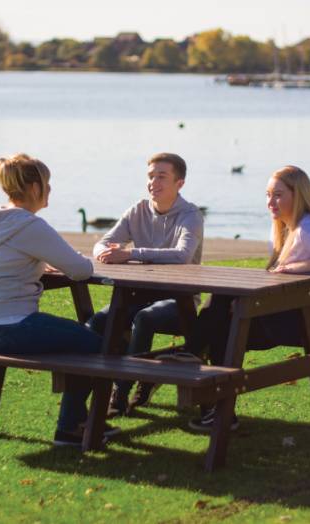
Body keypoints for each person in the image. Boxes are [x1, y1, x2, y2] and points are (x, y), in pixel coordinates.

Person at [186, 165, 310, 432]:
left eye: (278, 195)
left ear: (298, 195)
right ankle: (212, 399)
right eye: (268, 195)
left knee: (222, 326)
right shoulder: (281, 229)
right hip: (287, 310)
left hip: (306, 319)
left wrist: (300, 267)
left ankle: (195, 363)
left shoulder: (309, 229)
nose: (270, 202)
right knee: (220, 310)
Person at [0, 153, 119, 446]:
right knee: (95, 345)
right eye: (47, 184)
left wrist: (38, 262)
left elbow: (10, 259)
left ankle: (79, 420)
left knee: (77, 339)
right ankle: (72, 427)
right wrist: (57, 259)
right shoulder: (29, 226)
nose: (50, 190)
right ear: (35, 188)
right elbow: (80, 269)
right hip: (10, 325)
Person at [87, 152, 204, 417]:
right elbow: (102, 243)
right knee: (100, 320)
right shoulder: (137, 210)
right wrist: (104, 252)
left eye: (161, 177)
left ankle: (120, 393)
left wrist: (130, 253)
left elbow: (182, 255)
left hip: (180, 301)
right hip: (139, 294)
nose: (153, 182)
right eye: (151, 176)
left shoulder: (190, 215)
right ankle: (87, 389)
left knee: (144, 318)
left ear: (179, 183)